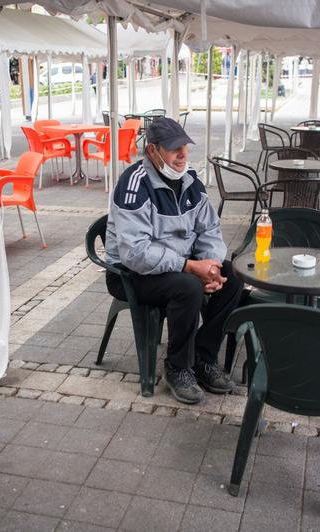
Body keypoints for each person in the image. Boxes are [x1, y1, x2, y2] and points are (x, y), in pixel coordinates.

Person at [105, 117, 243, 405]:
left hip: (177, 263)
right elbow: (136, 252)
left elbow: (210, 230)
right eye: (173, 149)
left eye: (184, 147)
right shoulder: (134, 184)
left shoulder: (191, 181)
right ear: (153, 151)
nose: (182, 154)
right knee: (188, 287)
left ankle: (204, 359)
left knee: (233, 277)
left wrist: (212, 266)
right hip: (130, 274)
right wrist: (191, 268)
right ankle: (178, 367)